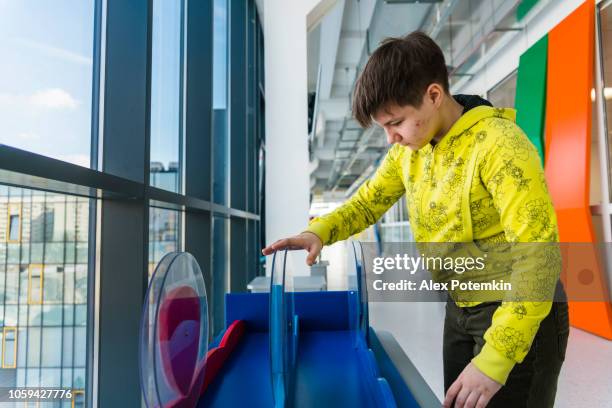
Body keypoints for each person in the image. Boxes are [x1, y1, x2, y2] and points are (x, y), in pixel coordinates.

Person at [262, 31, 568, 408]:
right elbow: (367, 202)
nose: (391, 138)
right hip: (460, 306)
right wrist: (319, 232)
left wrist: (495, 360)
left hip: (519, 311)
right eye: (384, 128)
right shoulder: (411, 152)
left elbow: (539, 256)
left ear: (434, 95)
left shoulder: (500, 144)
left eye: (396, 122)